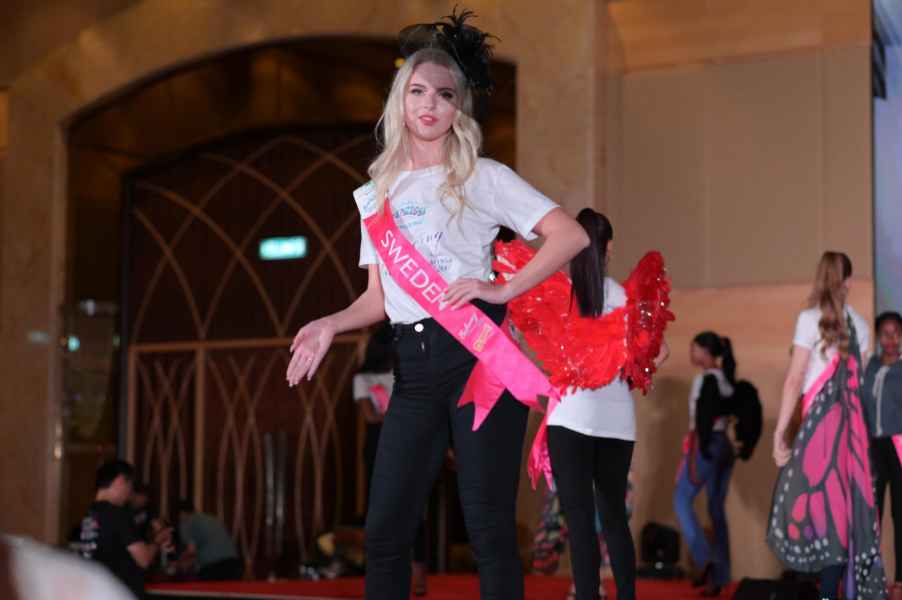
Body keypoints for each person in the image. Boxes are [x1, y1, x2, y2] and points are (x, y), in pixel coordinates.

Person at [286, 10, 589, 600]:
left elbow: (569, 236)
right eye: (418, 91)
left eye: (444, 94)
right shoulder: (376, 194)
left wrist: (501, 290)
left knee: (489, 528)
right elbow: (378, 298)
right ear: (400, 102)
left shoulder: (482, 176)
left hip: (478, 359)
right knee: (384, 532)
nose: (430, 104)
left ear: (458, 108)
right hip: (414, 369)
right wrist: (329, 323)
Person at [494, 209, 673, 600]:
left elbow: (523, 324)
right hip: (618, 422)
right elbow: (660, 353)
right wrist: (629, 374)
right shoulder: (625, 298)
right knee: (614, 519)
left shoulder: (557, 290)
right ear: (609, 248)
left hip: (570, 418)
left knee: (578, 523)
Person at [767, 251, 885, 600]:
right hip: (853, 435)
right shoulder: (861, 326)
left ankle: (826, 592)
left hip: (819, 432)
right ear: (848, 281)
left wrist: (780, 432)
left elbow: (794, 380)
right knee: (846, 518)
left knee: (812, 510)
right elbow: (862, 388)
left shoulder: (809, 319)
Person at [352, 323, 429, 595]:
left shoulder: (404, 373)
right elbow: (369, 416)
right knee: (384, 510)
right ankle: (389, 574)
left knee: (412, 508)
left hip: (407, 441)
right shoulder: (364, 379)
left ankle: (417, 575)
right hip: (380, 443)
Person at [78, 460, 173, 599]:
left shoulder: (89, 516)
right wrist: (157, 541)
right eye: (129, 486)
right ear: (120, 481)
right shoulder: (117, 515)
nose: (129, 494)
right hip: (120, 593)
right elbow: (144, 559)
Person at [863, 311, 902, 592]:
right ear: (877, 337)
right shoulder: (870, 367)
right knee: (871, 514)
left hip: (899, 446)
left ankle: (900, 581)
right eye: (885, 334)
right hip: (873, 446)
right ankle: (870, 579)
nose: (891, 339)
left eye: (896, 333)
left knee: (900, 515)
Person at [176, 500, 243, 581]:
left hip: (213, 568)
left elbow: (191, 550)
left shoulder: (186, 523)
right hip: (233, 564)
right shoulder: (212, 519)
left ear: (181, 514)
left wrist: (177, 562)